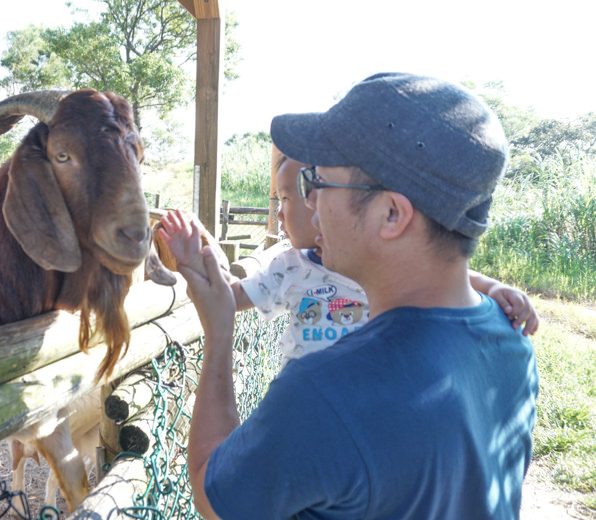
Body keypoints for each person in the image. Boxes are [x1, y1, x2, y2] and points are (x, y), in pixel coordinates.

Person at [173, 73, 540, 519]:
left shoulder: (325, 390)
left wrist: (219, 334)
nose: (310, 203)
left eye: (319, 182)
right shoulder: (512, 345)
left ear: (390, 214)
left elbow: (215, 501)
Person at [158, 156, 538, 366]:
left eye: (290, 199)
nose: (281, 213)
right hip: (307, 401)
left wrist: (497, 288)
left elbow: (449, 275)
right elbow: (229, 296)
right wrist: (197, 258)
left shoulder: (376, 262)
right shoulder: (290, 267)